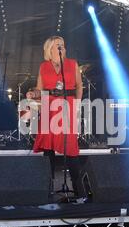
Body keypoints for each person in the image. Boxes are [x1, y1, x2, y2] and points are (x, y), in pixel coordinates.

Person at [26, 36, 85, 197]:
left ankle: (79, 191)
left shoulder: (72, 64)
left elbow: (79, 86)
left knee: (71, 148)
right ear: (50, 49)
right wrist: (33, 93)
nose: (62, 48)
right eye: (58, 45)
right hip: (49, 106)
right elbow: (40, 89)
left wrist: (78, 105)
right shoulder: (43, 66)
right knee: (48, 148)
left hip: (68, 105)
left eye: (63, 45)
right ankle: (48, 188)